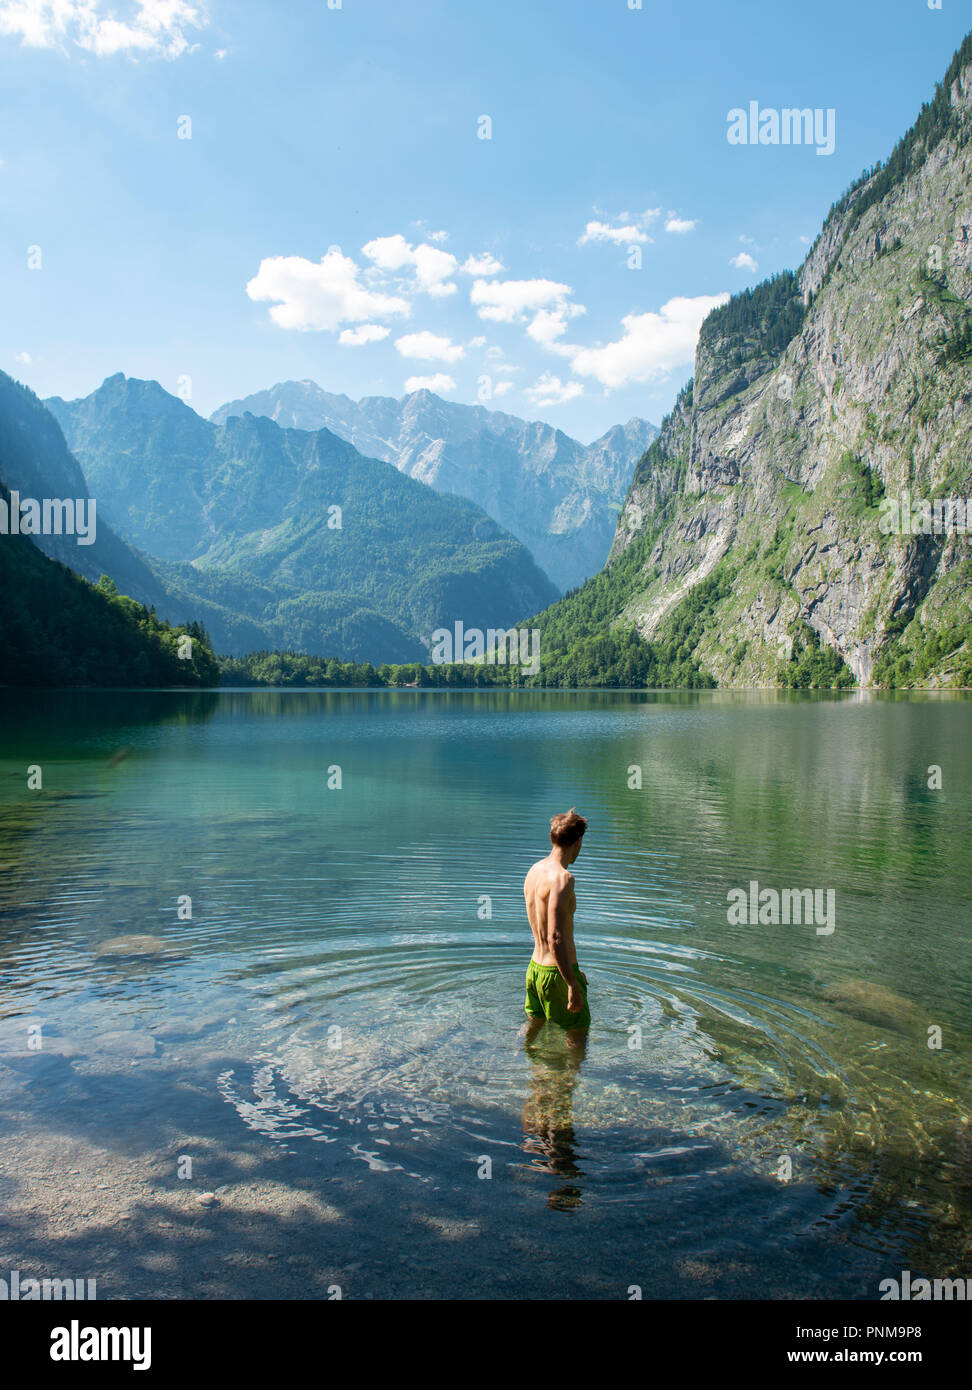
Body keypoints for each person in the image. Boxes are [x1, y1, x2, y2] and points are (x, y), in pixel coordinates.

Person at [522, 808, 590, 1032]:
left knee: (534, 1028)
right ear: (578, 841)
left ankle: (517, 1058)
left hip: (534, 970)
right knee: (576, 1036)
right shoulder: (563, 879)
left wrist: (573, 971)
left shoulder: (534, 871)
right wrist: (571, 982)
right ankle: (573, 1069)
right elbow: (555, 937)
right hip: (557, 976)